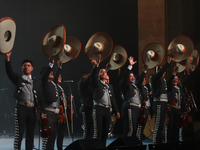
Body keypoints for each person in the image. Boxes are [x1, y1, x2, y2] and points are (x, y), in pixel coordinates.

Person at [5, 51, 44, 150]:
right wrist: (8, 58)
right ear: (22, 68)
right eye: (24, 65)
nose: (26, 67)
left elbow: (40, 96)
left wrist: (42, 111)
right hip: (21, 108)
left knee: (30, 134)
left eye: (28, 65)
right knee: (19, 133)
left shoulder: (36, 81)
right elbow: (9, 72)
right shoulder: (18, 78)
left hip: (32, 110)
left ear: (32, 68)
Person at [90, 55, 120, 146]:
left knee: (105, 132)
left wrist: (116, 110)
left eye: (105, 72)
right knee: (97, 132)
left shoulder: (108, 86)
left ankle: (102, 147)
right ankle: (95, 148)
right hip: (98, 108)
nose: (104, 73)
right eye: (101, 72)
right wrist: (96, 66)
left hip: (107, 110)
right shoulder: (96, 83)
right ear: (98, 75)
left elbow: (113, 99)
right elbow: (92, 77)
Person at [120, 56, 146, 138]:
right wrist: (130, 67)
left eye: (133, 76)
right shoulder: (126, 85)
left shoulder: (135, 86)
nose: (132, 77)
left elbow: (141, 80)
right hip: (130, 107)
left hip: (137, 108)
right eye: (130, 76)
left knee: (135, 130)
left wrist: (144, 71)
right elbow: (125, 78)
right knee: (131, 129)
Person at [41, 57, 62, 150]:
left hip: (55, 114)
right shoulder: (44, 82)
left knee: (53, 137)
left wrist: (59, 67)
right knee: (47, 137)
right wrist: (51, 65)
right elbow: (46, 74)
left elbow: (55, 74)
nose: (52, 73)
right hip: (48, 113)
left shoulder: (53, 83)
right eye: (50, 72)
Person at [151, 56, 172, 144]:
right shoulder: (155, 78)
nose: (164, 72)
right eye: (161, 70)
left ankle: (159, 141)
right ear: (157, 71)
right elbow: (160, 73)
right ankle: (155, 142)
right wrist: (167, 64)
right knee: (158, 123)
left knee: (162, 124)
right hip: (158, 103)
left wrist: (167, 105)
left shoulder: (163, 81)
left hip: (163, 103)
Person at [166, 66, 187, 143]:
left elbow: (183, 100)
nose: (175, 80)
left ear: (178, 80)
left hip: (178, 109)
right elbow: (168, 82)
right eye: (174, 79)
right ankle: (169, 141)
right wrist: (173, 73)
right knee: (170, 126)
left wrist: (184, 110)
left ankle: (175, 141)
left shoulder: (180, 88)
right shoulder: (170, 87)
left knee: (176, 126)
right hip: (171, 109)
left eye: (176, 79)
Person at [78, 71, 93, 139]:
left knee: (91, 130)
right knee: (87, 130)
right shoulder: (82, 82)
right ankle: (85, 145)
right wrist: (94, 68)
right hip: (85, 107)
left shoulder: (89, 85)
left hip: (90, 108)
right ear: (85, 76)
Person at [56, 74, 68, 150]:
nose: (60, 77)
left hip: (63, 113)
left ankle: (60, 148)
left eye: (61, 76)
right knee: (55, 133)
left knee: (61, 134)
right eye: (58, 76)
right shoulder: (54, 87)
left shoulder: (60, 87)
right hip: (57, 113)